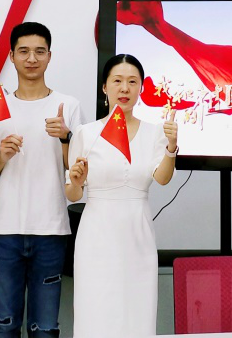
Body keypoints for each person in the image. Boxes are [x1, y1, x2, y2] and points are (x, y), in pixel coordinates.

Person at [0, 22, 85, 338]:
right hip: (5, 230)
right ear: (12, 56)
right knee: (4, 325)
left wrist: (66, 137)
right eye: (23, 51)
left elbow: (77, 170)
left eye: (39, 51)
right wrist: (1, 158)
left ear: (50, 56)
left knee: (46, 328)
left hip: (51, 229)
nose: (32, 58)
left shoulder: (69, 106)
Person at [65, 55, 177, 336]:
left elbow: (162, 178)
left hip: (137, 233)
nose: (124, 88)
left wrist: (171, 147)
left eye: (132, 82)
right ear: (105, 87)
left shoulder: (154, 133)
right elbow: (73, 193)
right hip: (96, 234)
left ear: (141, 88)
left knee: (137, 310)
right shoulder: (86, 133)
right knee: (97, 309)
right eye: (117, 81)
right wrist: (76, 180)